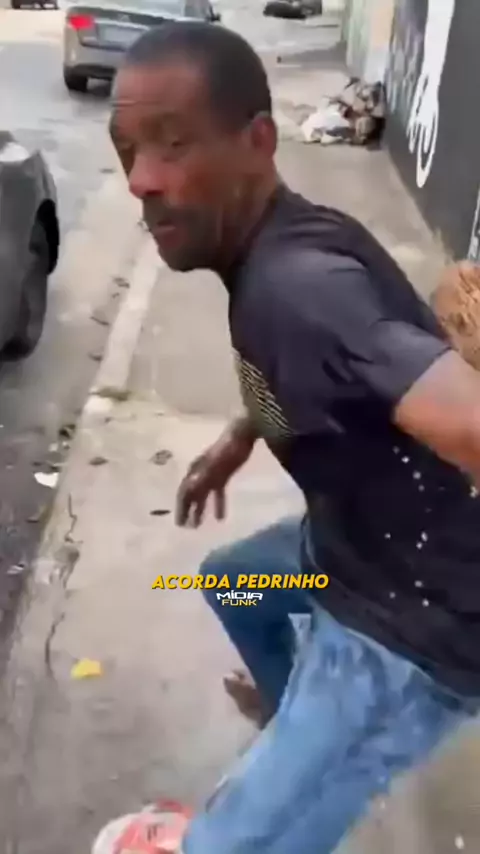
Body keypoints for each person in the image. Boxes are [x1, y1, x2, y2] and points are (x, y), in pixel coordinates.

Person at [110, 22, 480, 854]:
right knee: (232, 583)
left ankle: (309, 765)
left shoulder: (298, 289)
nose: (140, 180)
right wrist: (242, 435)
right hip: (347, 549)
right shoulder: (292, 238)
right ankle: (292, 720)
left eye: (173, 144)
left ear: (259, 141)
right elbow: (334, 372)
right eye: (127, 150)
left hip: (407, 632)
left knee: (223, 846)